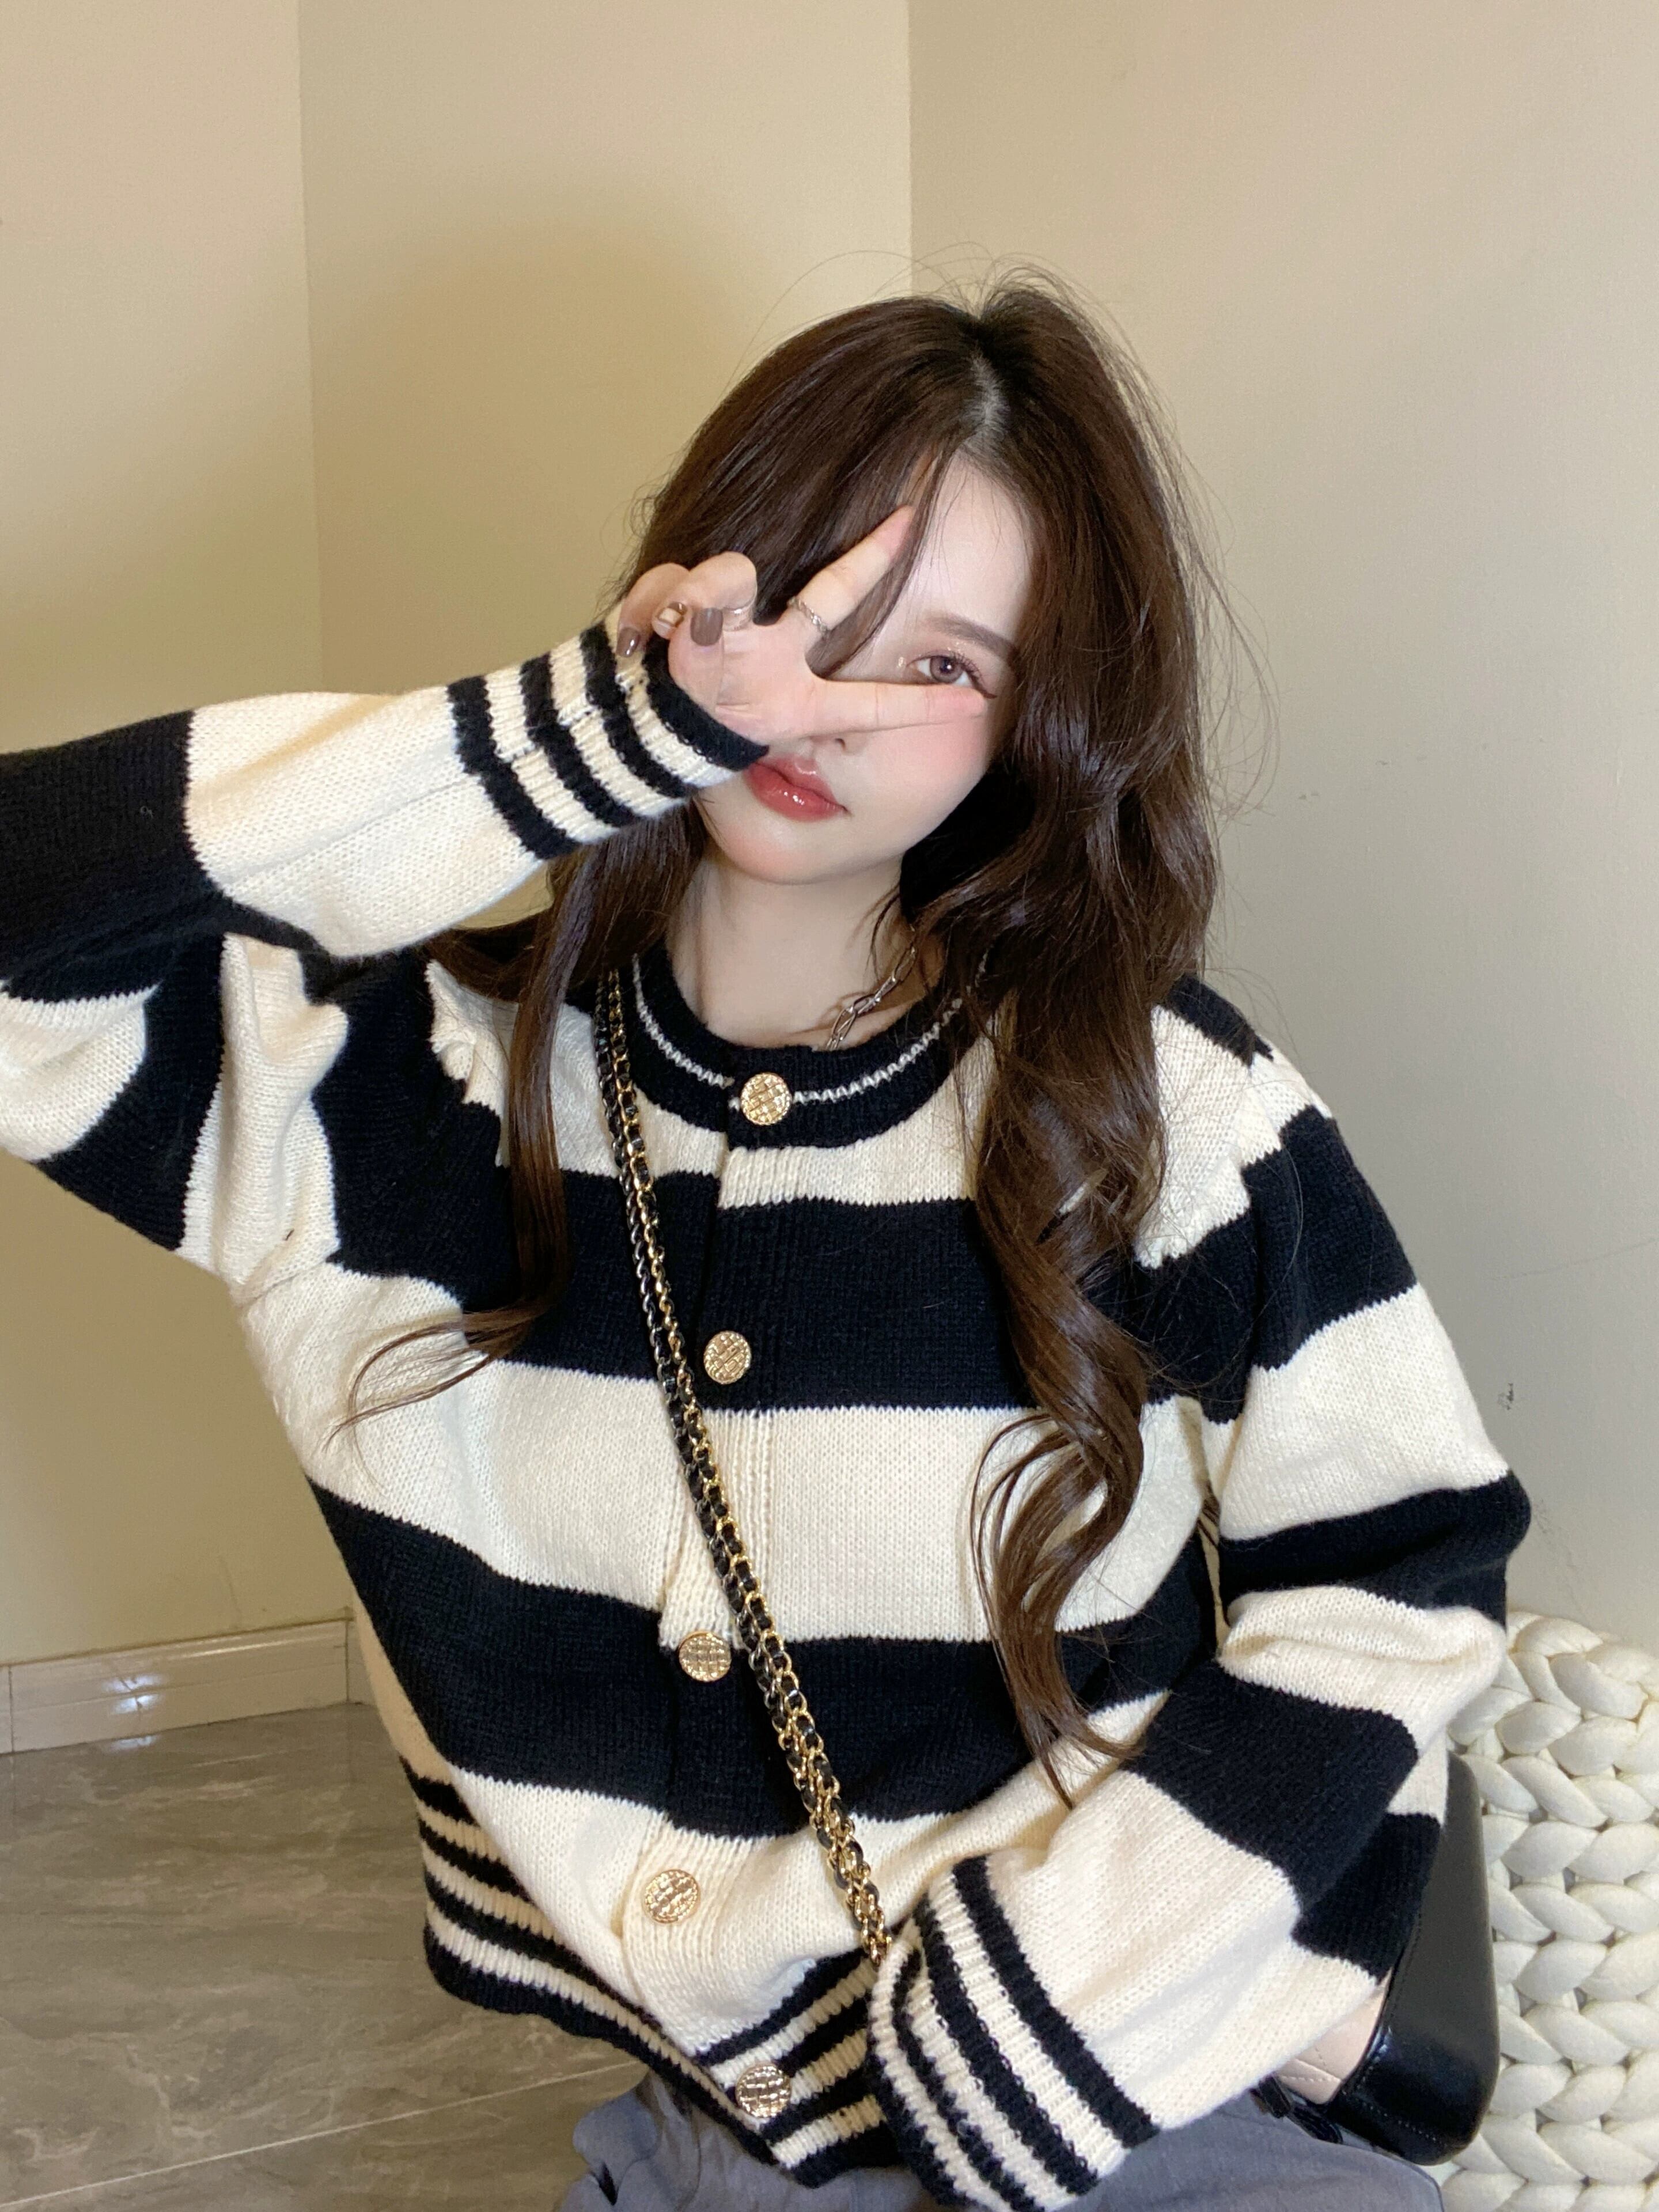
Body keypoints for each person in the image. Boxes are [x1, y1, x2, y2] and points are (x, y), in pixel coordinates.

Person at [0, 280, 1528, 2211]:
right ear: (675, 590)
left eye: (940, 663)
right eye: (796, 606)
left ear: (1030, 730)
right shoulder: (381, 1090)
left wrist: (1071, 1997)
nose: (823, 705)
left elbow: (1404, 1565)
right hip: (695, 2136)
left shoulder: (1158, 1104)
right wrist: (577, 733)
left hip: (1136, 2098)